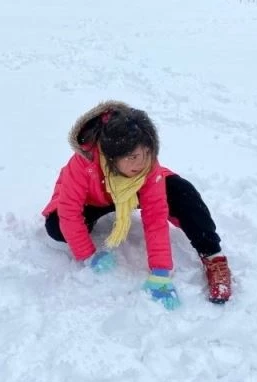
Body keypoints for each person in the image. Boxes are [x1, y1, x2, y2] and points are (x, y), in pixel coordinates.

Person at [42, 100, 232, 309]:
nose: (140, 163)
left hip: (134, 191)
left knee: (182, 191)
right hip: (94, 198)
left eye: (146, 153)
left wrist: (160, 273)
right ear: (112, 157)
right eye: (132, 156)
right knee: (57, 225)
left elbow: (155, 217)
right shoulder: (82, 164)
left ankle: (213, 256)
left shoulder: (146, 169)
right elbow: (69, 212)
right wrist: (88, 255)